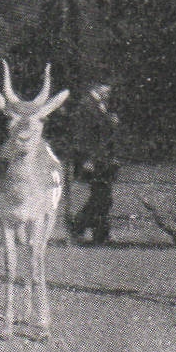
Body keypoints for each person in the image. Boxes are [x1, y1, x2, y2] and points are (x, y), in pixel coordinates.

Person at [70, 83, 121, 245]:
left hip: (104, 159)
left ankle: (98, 234)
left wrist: (111, 121)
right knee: (101, 196)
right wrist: (87, 160)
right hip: (94, 160)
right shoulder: (86, 106)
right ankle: (80, 228)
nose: (109, 92)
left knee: (103, 197)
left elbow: (104, 133)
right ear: (97, 87)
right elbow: (83, 136)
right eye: (107, 89)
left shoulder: (101, 105)